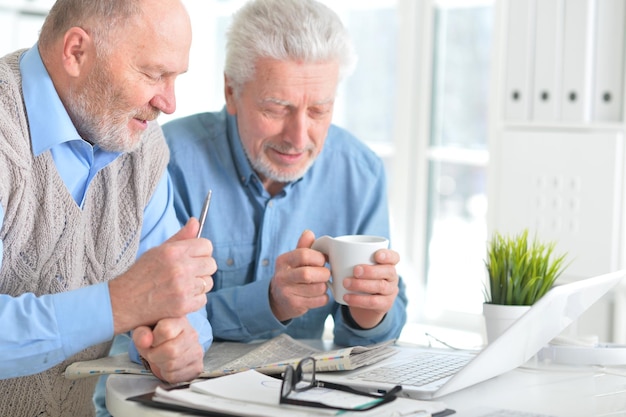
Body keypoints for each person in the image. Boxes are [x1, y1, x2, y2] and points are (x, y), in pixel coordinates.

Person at [0, 0, 216, 416]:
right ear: (76, 51)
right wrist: (119, 305)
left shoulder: (140, 145)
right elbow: (133, 298)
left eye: (175, 78)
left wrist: (177, 341)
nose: (169, 103)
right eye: (154, 74)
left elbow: (178, 306)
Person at [163, 0, 407, 347]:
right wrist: (270, 302)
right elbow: (150, 317)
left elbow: (373, 331)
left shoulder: (360, 173)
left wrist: (369, 313)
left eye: (319, 110)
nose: (298, 137)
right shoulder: (170, 162)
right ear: (231, 92)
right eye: (277, 109)